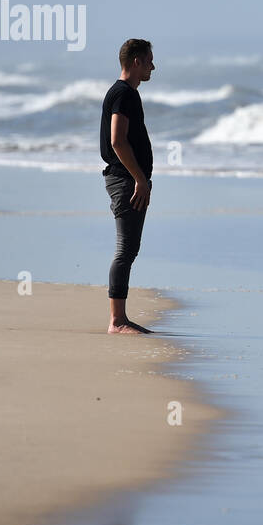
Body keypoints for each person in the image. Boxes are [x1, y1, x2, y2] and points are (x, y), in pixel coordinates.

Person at [100, 38, 156, 334]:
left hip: (129, 179)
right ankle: (117, 321)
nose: (152, 66)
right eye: (149, 60)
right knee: (125, 249)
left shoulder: (126, 93)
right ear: (136, 61)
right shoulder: (123, 94)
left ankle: (120, 318)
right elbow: (117, 141)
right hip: (126, 180)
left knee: (129, 248)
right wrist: (139, 179)